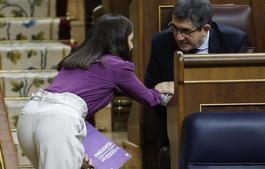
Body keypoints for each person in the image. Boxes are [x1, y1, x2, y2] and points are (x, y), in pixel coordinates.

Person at [17, 14, 173, 169]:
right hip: (59, 119)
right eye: (130, 40)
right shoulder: (116, 65)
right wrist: (168, 86)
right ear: (119, 40)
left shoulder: (76, 59)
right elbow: (150, 98)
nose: (132, 46)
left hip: (30, 114)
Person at [144, 0, 248, 168]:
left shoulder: (233, 41)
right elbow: (150, 89)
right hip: (178, 126)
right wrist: (174, 101)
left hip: (223, 122)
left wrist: (179, 89)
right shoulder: (161, 41)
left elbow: (238, 91)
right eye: (174, 28)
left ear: (205, 29)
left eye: (186, 31)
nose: (178, 36)